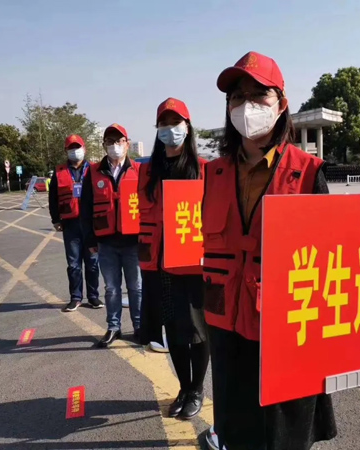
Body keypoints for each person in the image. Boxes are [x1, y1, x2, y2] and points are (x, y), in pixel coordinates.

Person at [201, 51, 337, 450]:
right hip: (226, 324)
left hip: (285, 327)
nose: (246, 105)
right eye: (237, 96)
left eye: (259, 94)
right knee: (237, 428)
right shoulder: (214, 173)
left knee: (283, 433)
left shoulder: (309, 172)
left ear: (281, 104)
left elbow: (328, 261)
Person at [138, 98, 209, 419]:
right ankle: (184, 387)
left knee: (198, 330)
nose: (170, 129)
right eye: (164, 124)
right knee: (173, 329)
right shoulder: (147, 172)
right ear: (157, 130)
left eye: (175, 123)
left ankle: (198, 388)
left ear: (187, 127)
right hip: (161, 264)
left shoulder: (205, 169)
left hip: (195, 262)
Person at [81, 124, 142, 348]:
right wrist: (90, 240)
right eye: (110, 141)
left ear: (127, 143)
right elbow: (85, 208)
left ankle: (139, 326)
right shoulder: (93, 172)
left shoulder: (138, 170)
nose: (115, 145)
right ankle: (113, 327)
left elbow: (148, 206)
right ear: (104, 145)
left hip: (133, 243)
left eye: (119, 141)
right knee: (111, 289)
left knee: (136, 288)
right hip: (106, 243)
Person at [48, 134, 102, 312]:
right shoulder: (59, 172)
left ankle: (93, 296)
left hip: (91, 224)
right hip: (70, 224)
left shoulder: (94, 170)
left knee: (92, 262)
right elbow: (53, 198)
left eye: (77, 147)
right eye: (71, 148)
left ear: (84, 149)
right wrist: (56, 219)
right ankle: (76, 297)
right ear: (66, 151)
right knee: (73, 264)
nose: (75, 151)